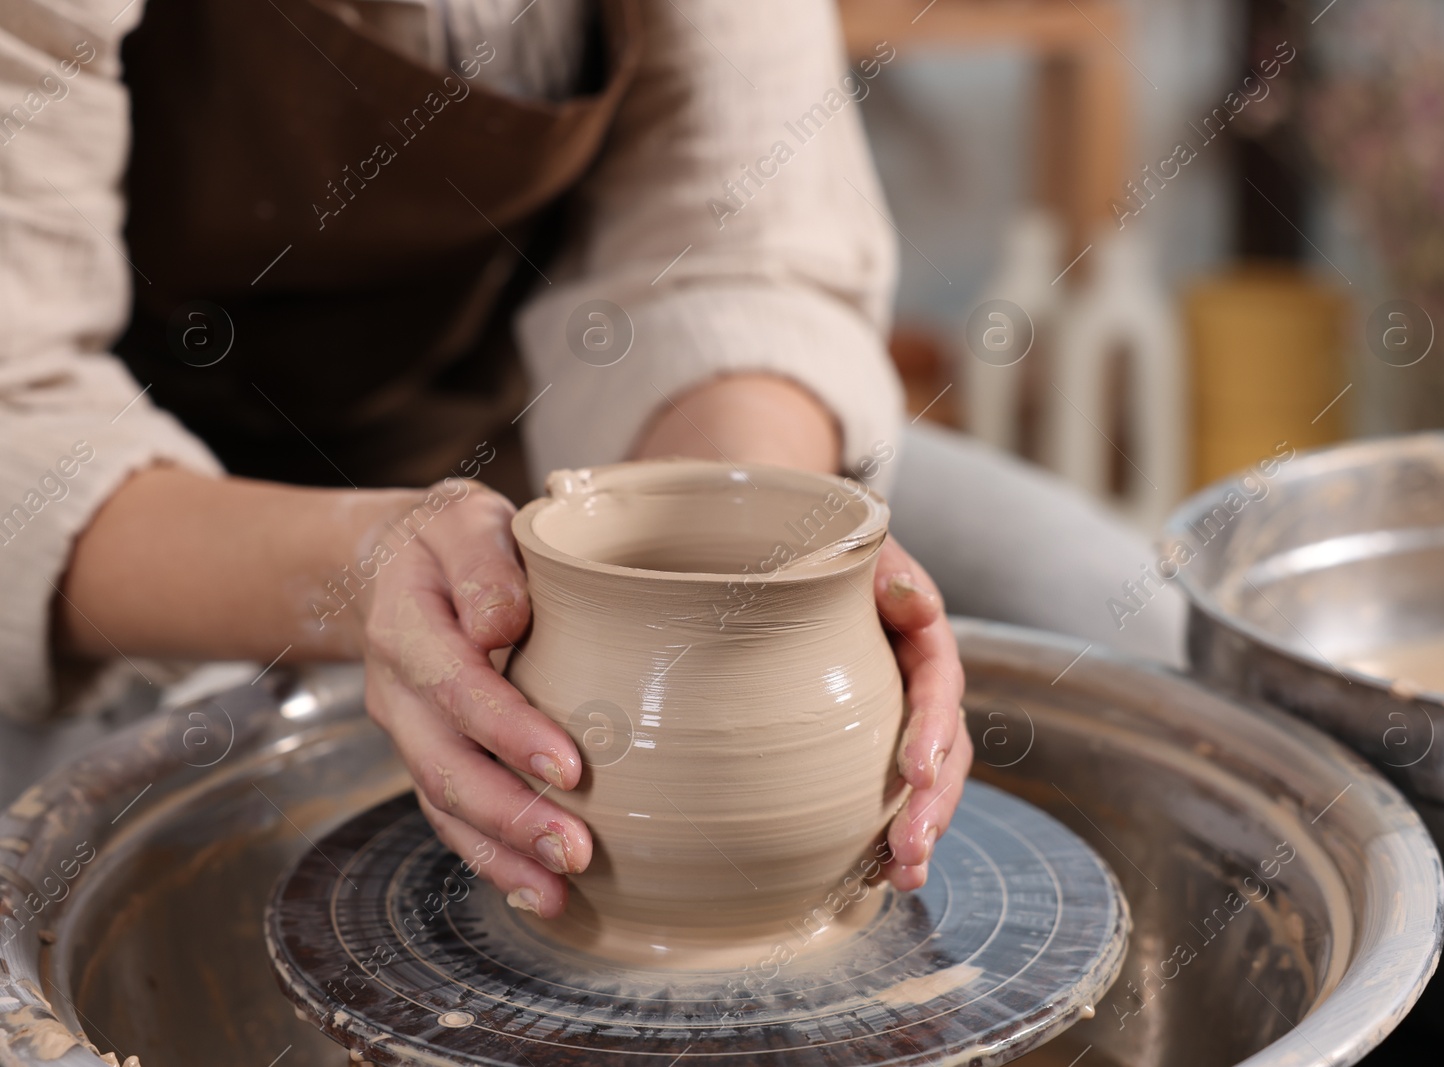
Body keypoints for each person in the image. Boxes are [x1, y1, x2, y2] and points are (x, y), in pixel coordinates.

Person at [0, 0, 1181, 914]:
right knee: (95, 850)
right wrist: (368, 566)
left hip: (553, 451)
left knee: (1112, 615)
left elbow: (730, 245)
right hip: (131, 508)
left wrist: (746, 544)